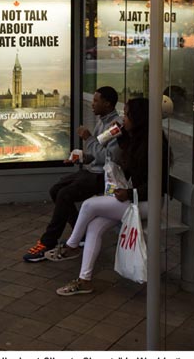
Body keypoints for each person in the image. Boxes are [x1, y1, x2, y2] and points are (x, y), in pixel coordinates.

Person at [46, 97, 170, 295]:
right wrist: (120, 137)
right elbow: (128, 167)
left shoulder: (155, 146)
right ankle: (84, 280)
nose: (123, 118)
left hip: (147, 203)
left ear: (138, 118)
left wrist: (129, 193)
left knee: (88, 205)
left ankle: (71, 245)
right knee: (94, 226)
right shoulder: (137, 140)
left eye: (127, 114)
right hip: (133, 198)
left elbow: (159, 185)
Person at [23, 86, 122, 262]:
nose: (92, 104)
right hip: (92, 170)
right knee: (56, 189)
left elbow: (110, 158)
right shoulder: (102, 120)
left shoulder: (115, 126)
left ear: (107, 104)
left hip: (104, 177)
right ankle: (81, 232)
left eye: (95, 101)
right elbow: (96, 153)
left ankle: (48, 242)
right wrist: (81, 157)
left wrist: (88, 139)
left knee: (64, 194)